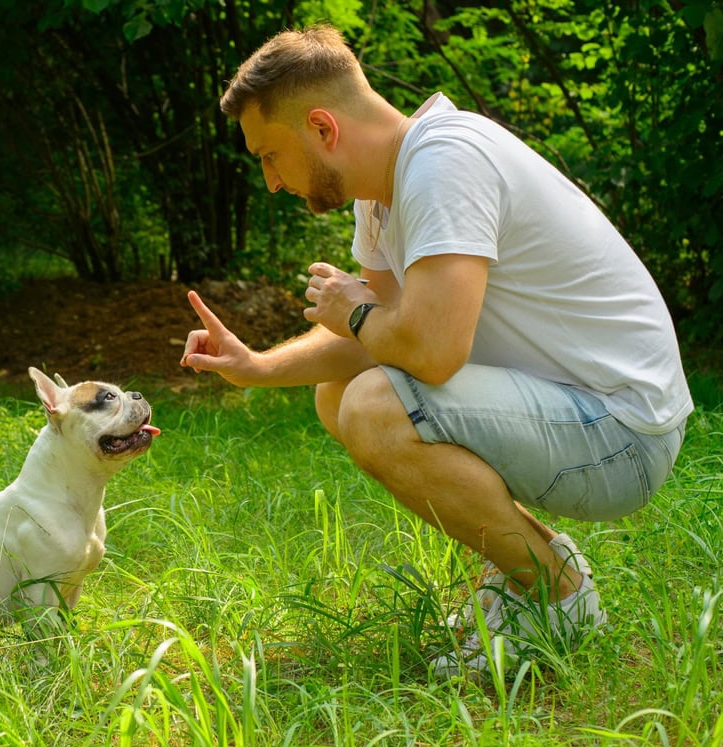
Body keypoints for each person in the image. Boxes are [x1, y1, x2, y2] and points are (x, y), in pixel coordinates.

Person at [179, 25, 693, 677]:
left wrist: (357, 309)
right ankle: (522, 573)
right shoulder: (382, 196)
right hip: (577, 416)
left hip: (625, 435)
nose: (272, 181)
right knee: (340, 395)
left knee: (374, 407)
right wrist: (255, 366)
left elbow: (430, 350)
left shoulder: (446, 162)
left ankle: (557, 597)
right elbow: (374, 344)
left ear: (322, 129)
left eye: (270, 155)